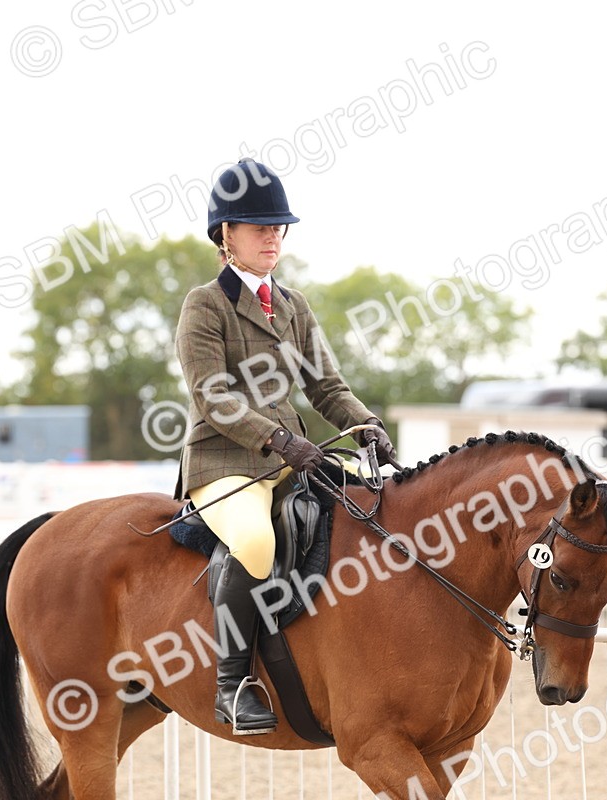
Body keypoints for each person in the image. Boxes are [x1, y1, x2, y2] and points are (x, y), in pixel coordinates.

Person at [173, 158, 397, 735]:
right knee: (254, 539)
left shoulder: (293, 305)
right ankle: (231, 685)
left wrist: (366, 423)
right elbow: (212, 396)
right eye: (257, 226)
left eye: (277, 226)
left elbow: (326, 387)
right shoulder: (205, 304)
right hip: (225, 461)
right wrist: (276, 437)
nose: (272, 235)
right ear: (226, 235)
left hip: (291, 455)